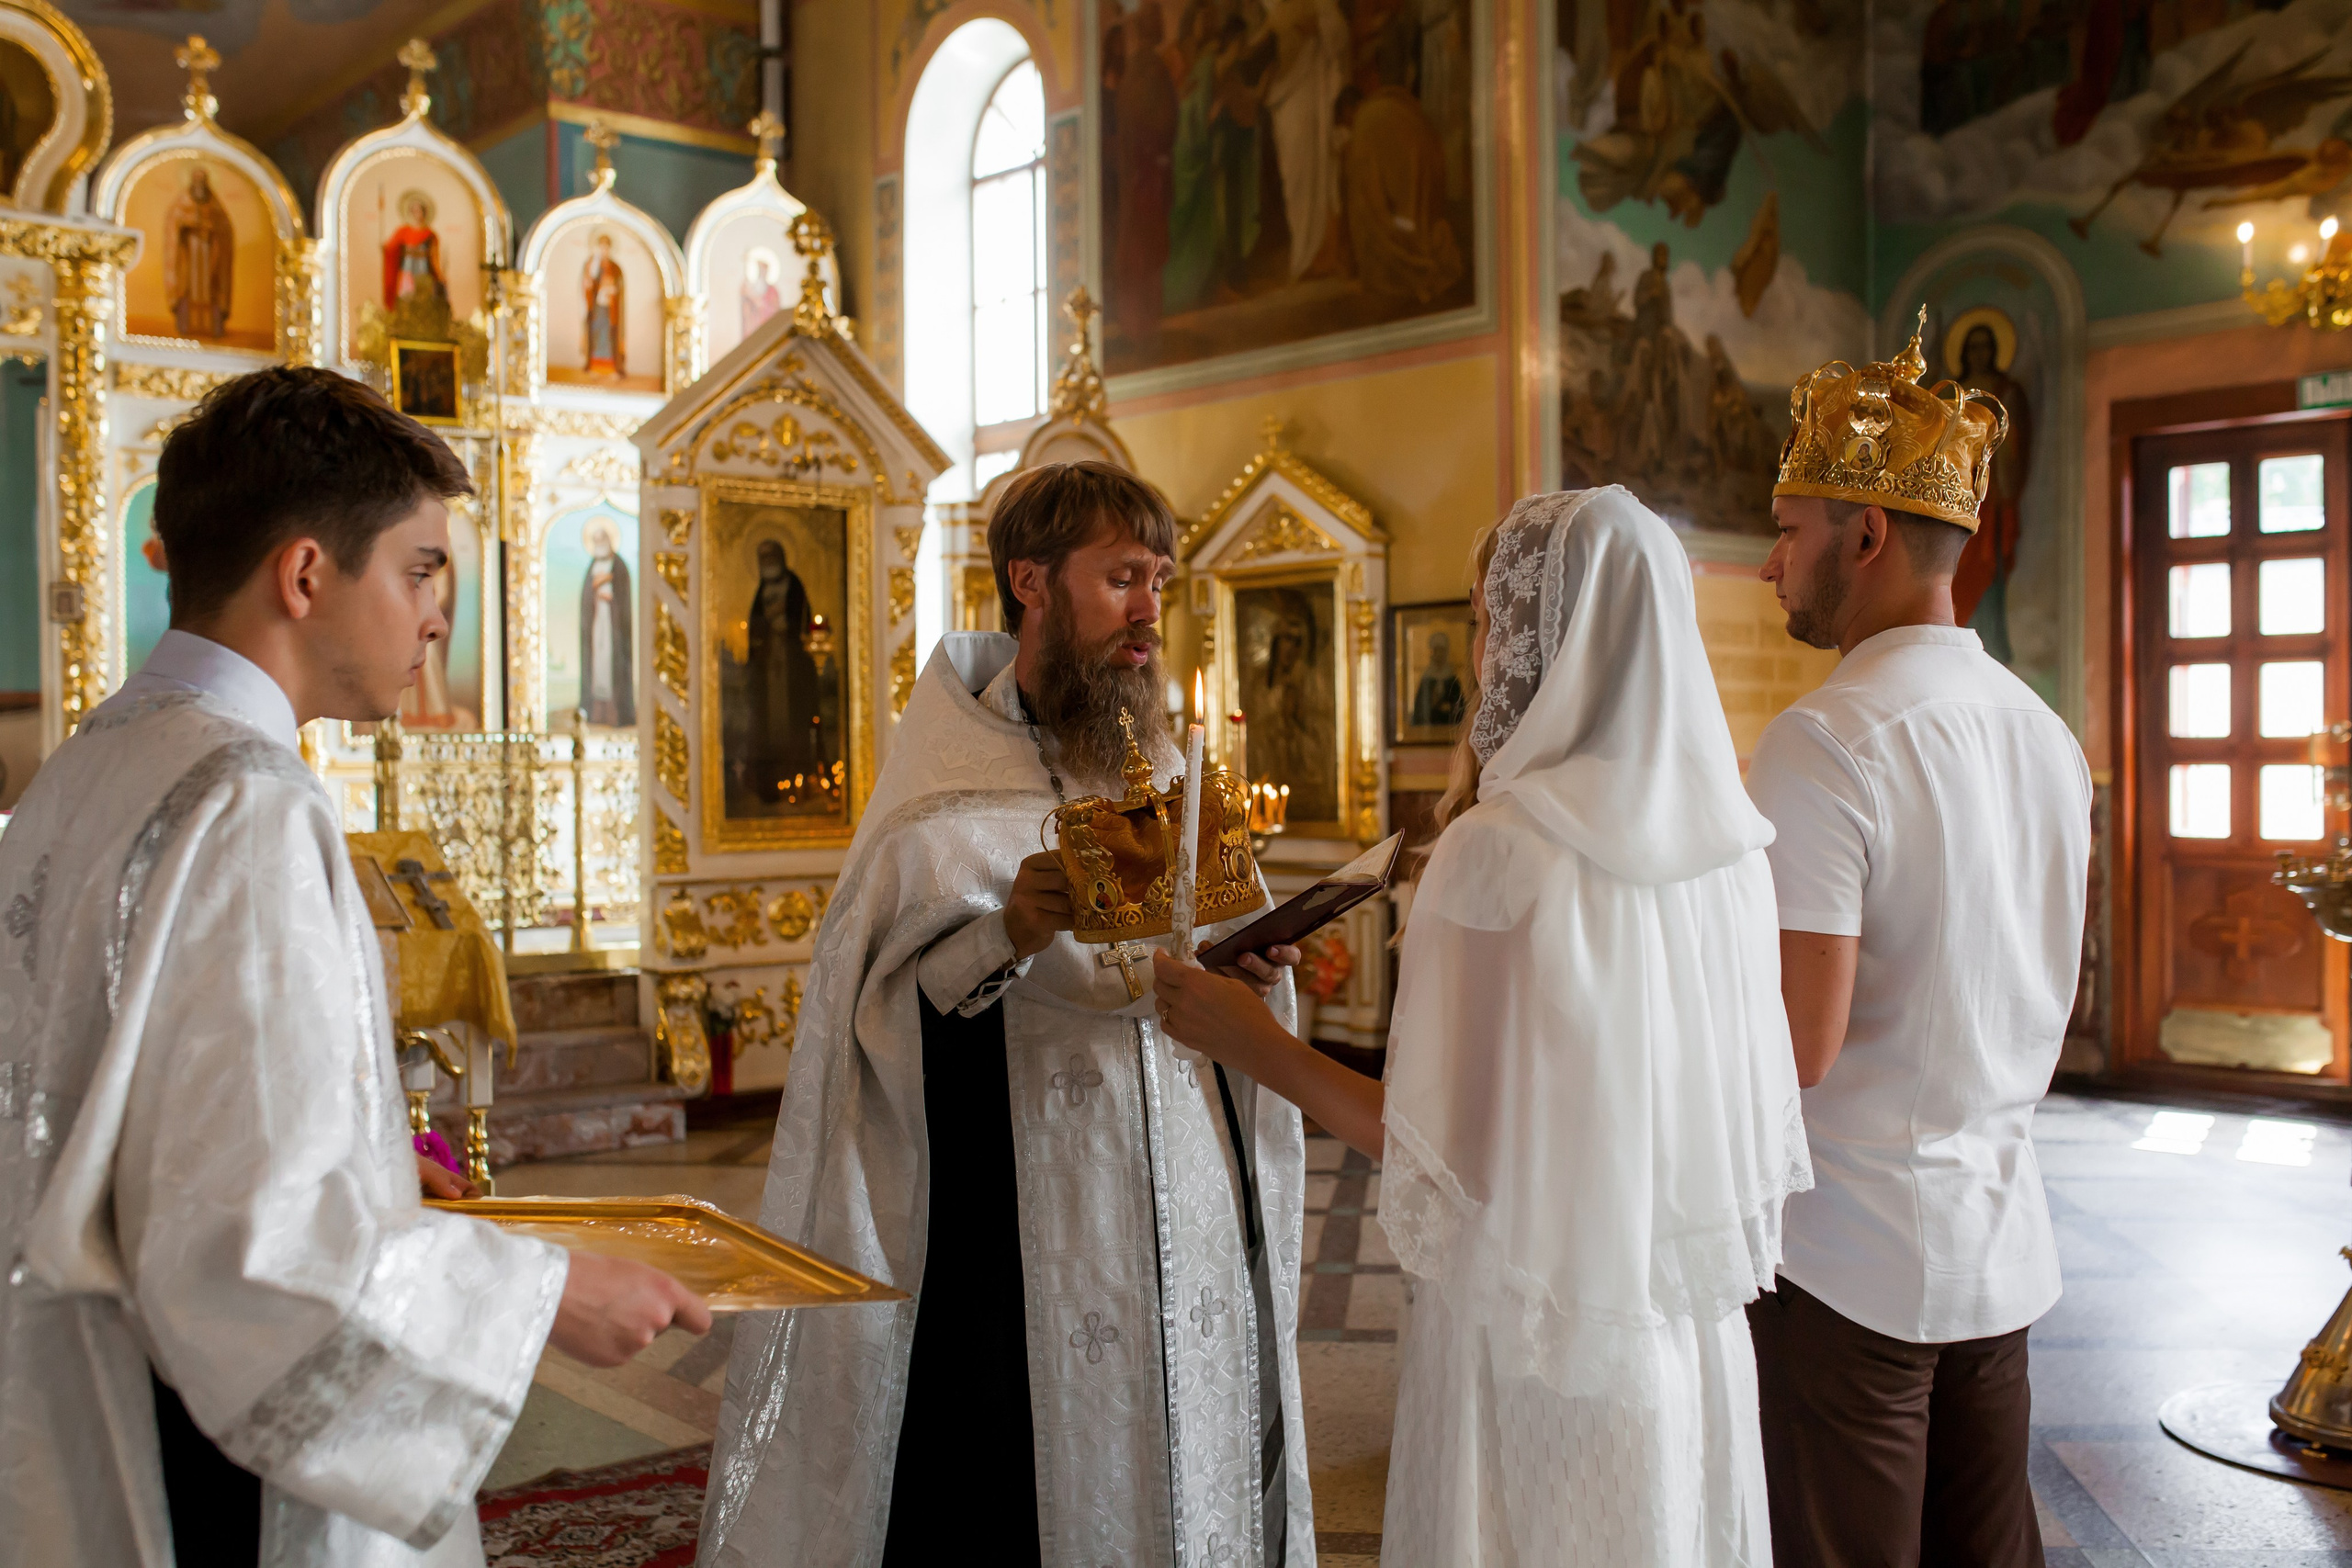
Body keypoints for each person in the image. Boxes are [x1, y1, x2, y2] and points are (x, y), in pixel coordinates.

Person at [0, 367, 709, 1568]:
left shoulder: (89, 764)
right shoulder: (250, 799)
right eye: (422, 568)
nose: (441, 614)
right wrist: (539, 1292)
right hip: (204, 1441)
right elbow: (253, 1243)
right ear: (307, 573)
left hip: (77, 1381)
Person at [1156, 485, 1813, 1566]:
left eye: (1486, 618)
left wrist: (1250, 1041)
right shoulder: (1729, 851)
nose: (1478, 652)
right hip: (1676, 1339)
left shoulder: (1497, 851)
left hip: (1531, 1335)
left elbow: (1438, 1149)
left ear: (1546, 636)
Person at [700, 461, 1315, 1568]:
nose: (1147, 609)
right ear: (1030, 581)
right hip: (1018, 1223)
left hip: (1185, 1190)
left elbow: (1214, 954)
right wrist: (1007, 934)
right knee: (1011, 1481)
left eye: (1158, 581)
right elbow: (877, 1019)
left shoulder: (1168, 767)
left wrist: (1253, 968)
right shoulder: (942, 788)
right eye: (1122, 577)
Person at [1747, 321, 2086, 1568]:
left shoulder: (1826, 739)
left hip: (1849, 1257)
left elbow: (1800, 1043)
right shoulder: (2044, 731)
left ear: (1868, 533)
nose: (1769, 564)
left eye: (1789, 529)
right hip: (2004, 1233)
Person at [165, 165, 235, 341]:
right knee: (187, 287)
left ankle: (213, 328)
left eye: (202, 181)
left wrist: (210, 229)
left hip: (209, 254)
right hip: (189, 255)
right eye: (196, 180)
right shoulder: (182, 202)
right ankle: (185, 326)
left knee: (212, 286)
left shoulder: (215, 206)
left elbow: (225, 229)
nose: (199, 184)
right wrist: (187, 227)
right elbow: (173, 226)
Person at [580, 519, 634, 728]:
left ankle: (616, 711)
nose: (599, 543)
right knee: (598, 666)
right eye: (596, 540)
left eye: (602, 539)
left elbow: (623, 595)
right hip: (597, 626)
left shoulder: (618, 566)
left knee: (612, 664)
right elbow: (586, 596)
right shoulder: (592, 566)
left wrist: (611, 602)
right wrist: (595, 596)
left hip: (613, 627)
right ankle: (596, 710)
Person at [382, 189, 446, 310]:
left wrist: (439, 275)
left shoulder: (430, 235)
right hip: (406, 271)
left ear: (424, 212)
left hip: (423, 272)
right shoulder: (402, 232)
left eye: (419, 211)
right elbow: (392, 249)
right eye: (414, 211)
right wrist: (387, 248)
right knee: (406, 300)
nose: (417, 214)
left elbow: (434, 258)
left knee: (423, 301)